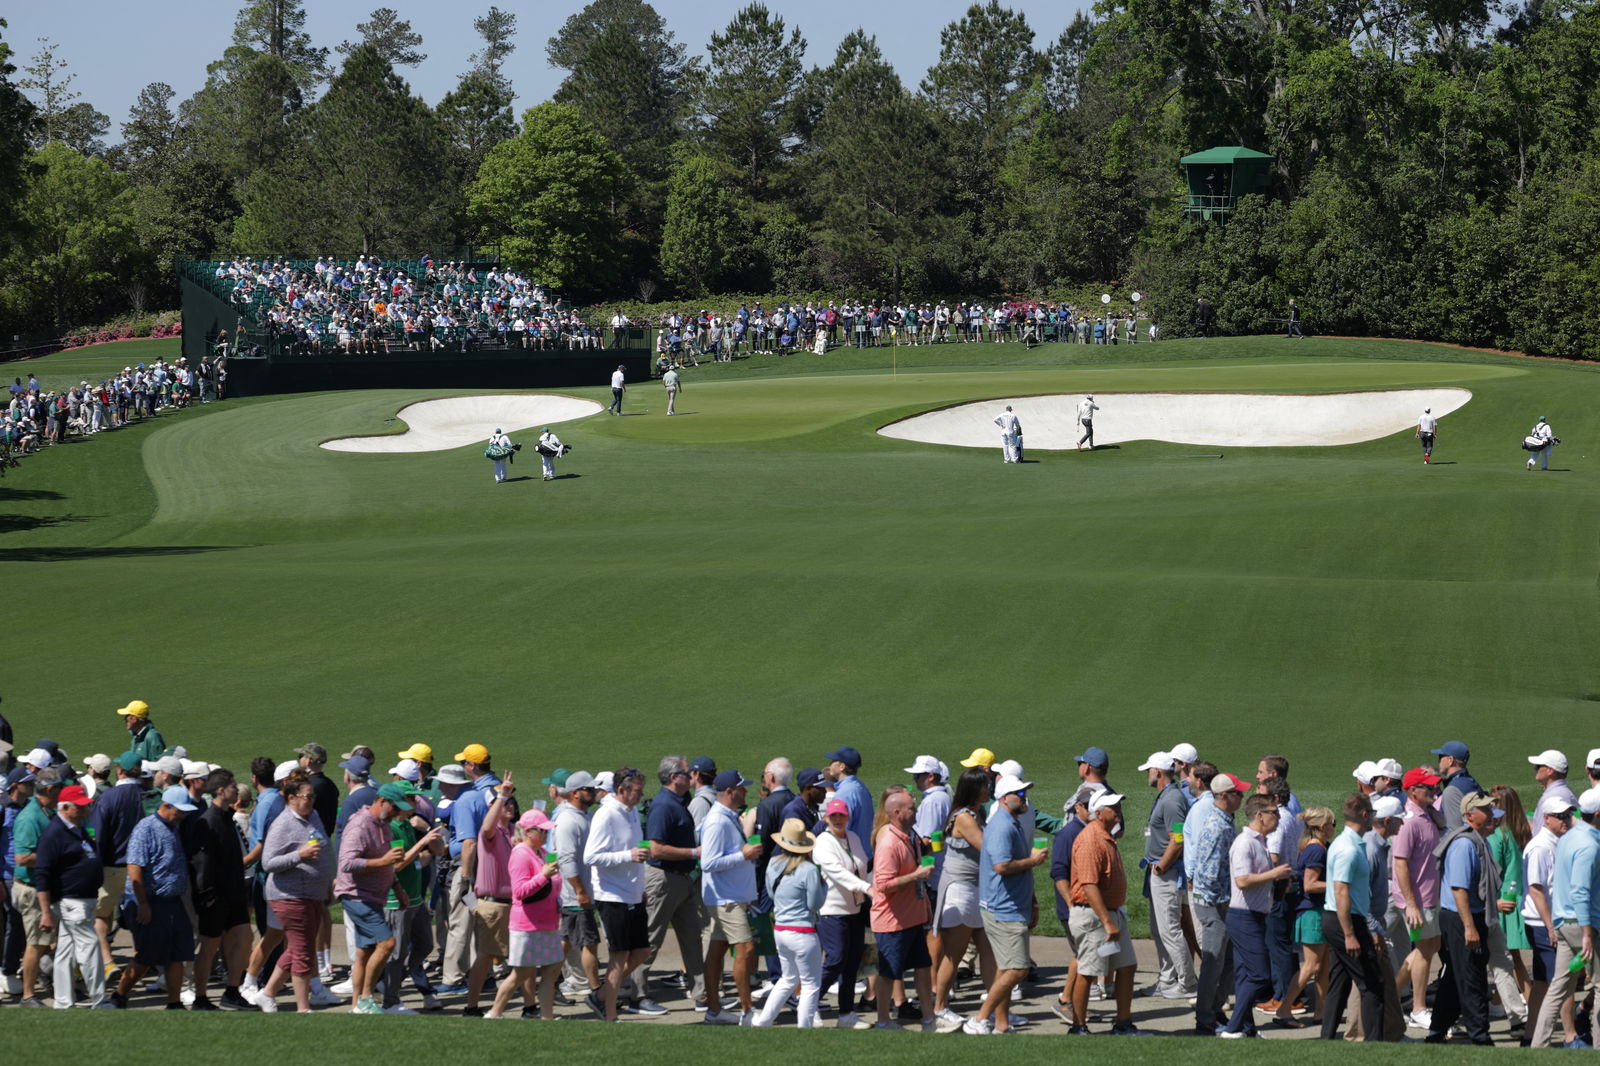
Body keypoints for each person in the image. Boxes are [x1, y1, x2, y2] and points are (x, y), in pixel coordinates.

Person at [964, 772, 1049, 1035]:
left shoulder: (1008, 821)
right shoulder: (1002, 826)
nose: (1024, 798)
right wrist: (1033, 862)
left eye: (1025, 793)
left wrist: (1031, 902)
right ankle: (979, 1019)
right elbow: (1002, 866)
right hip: (1004, 909)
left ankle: (1001, 1024)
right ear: (1003, 798)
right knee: (1018, 968)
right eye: (1019, 794)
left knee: (1005, 968)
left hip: (1010, 906)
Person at [250, 769, 334, 1013]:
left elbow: (323, 850)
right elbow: (268, 862)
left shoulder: (313, 816)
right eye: (307, 796)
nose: (312, 800)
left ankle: (267, 993)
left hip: (313, 894)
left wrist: (326, 883)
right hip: (290, 896)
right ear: (291, 797)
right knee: (302, 953)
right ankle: (303, 1007)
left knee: (300, 947)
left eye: (313, 796)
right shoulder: (283, 824)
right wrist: (300, 855)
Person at [335, 782, 421, 1014]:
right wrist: (383, 862)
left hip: (374, 895)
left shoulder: (385, 826)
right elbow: (346, 863)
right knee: (387, 943)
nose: (397, 813)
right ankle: (366, 999)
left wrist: (397, 888)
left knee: (365, 951)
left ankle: (357, 1004)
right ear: (381, 802)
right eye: (394, 808)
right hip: (356, 896)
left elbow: (387, 866)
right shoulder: (360, 825)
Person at [109, 785, 198, 1010]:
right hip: (150, 901)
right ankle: (119, 995)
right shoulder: (146, 828)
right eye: (180, 810)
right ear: (166, 805)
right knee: (148, 955)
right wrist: (144, 904)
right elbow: (135, 868)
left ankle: (174, 1002)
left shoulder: (174, 826)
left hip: (172, 901)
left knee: (178, 952)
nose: (184, 814)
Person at [1427, 790, 1504, 1045]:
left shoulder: (1478, 840)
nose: (1491, 813)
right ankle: (1480, 1037)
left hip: (1469, 917)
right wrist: (1470, 927)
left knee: (1455, 978)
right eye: (1486, 810)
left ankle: (1436, 1031)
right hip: (1463, 920)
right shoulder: (1464, 844)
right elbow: (1458, 889)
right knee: (1472, 979)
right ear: (1470, 815)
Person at [1066, 790, 1143, 1034]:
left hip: (1110, 915)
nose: (1118, 810)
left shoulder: (1105, 836)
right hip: (1095, 918)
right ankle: (1078, 1026)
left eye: (1118, 805)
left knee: (1127, 966)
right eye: (1112, 807)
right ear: (1098, 813)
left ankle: (1122, 1023)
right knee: (1088, 972)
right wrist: (1107, 921)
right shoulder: (1090, 840)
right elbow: (1089, 885)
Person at [1529, 785, 1600, 1049]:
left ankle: (1538, 1047)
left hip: (1563, 922)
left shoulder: (1571, 836)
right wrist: (1587, 933)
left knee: (1558, 986)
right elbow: (1580, 891)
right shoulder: (1588, 845)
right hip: (1581, 924)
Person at [581, 766, 651, 1022]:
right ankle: (610, 1016)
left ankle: (600, 996)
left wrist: (641, 888)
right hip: (612, 896)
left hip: (632, 894)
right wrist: (628, 856)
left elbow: (634, 851)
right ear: (621, 790)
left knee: (642, 951)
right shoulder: (606, 815)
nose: (641, 797)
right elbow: (591, 856)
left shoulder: (631, 812)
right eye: (637, 792)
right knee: (618, 959)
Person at [1222, 794, 1294, 1037]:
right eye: (1274, 812)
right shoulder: (1245, 843)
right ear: (1260, 815)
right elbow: (1242, 881)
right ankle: (1233, 1028)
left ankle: (1246, 1028)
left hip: (1254, 915)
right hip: (1244, 917)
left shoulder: (1259, 841)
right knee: (1259, 975)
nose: (1278, 816)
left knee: (1244, 975)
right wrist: (1274, 875)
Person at [640, 755, 703, 1015]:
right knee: (651, 938)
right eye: (688, 773)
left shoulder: (678, 801)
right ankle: (637, 995)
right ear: (674, 776)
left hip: (680, 879)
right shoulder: (664, 805)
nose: (692, 777)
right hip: (663, 879)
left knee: (692, 938)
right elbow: (655, 848)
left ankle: (702, 994)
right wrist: (693, 853)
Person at [486, 809, 563, 1020]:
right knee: (520, 973)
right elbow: (519, 891)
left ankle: (547, 1017)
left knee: (550, 971)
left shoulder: (544, 852)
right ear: (529, 832)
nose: (546, 835)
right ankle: (494, 1012)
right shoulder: (520, 853)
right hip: (527, 924)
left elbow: (554, 886)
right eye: (542, 831)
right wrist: (543, 875)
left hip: (548, 922)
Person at [931, 767, 992, 1029]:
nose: (989, 789)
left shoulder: (977, 813)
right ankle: (940, 1008)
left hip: (976, 890)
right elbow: (988, 847)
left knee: (990, 951)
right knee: (953, 954)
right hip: (960, 890)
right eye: (986, 785)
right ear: (975, 788)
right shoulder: (965, 817)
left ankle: (997, 1008)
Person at [34, 783, 105, 1009]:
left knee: (66, 952)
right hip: (71, 902)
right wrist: (45, 912)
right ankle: (100, 1001)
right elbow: (42, 875)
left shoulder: (77, 828)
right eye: (80, 807)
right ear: (64, 807)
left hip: (84, 899)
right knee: (90, 947)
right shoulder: (53, 834)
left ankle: (63, 1002)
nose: (85, 811)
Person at [700, 768, 762, 1025]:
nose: (745, 791)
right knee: (745, 949)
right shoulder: (717, 821)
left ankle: (714, 1010)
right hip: (726, 899)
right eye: (741, 788)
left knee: (717, 950)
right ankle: (747, 1012)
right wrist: (743, 855)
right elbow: (709, 862)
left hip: (729, 896)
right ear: (729, 792)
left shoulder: (727, 816)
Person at [751, 817, 827, 1028]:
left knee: (788, 978)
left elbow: (773, 894)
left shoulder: (773, 864)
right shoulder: (809, 870)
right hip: (803, 933)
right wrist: (825, 888)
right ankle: (804, 1028)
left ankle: (764, 1021)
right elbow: (815, 904)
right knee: (810, 984)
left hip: (781, 931)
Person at [1321, 793, 1385, 1040]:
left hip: (1338, 919)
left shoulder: (1344, 843)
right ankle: (1375, 1044)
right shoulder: (1349, 849)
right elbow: (1341, 891)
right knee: (1372, 983)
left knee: (1340, 981)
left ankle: (1326, 1038)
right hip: (1346, 922)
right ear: (1365, 815)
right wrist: (1350, 934)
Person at [871, 789, 936, 1032]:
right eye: (912, 807)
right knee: (889, 973)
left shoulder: (907, 835)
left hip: (911, 917)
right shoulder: (888, 843)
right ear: (897, 813)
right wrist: (916, 875)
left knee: (922, 966)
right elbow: (884, 885)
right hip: (892, 921)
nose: (916, 810)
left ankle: (929, 1018)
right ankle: (883, 1021)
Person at [190, 768, 253, 1011]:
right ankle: (200, 998)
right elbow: (201, 862)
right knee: (209, 946)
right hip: (216, 896)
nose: (236, 790)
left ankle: (232, 990)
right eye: (232, 787)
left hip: (234, 893)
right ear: (219, 790)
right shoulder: (209, 820)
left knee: (245, 937)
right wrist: (207, 896)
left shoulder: (227, 817)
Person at [1189, 772, 1243, 1034]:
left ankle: (1215, 1008)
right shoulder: (1217, 825)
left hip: (1219, 902)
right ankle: (1205, 1016)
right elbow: (1209, 873)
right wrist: (1223, 902)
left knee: (1227, 959)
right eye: (1237, 793)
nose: (1241, 797)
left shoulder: (1225, 820)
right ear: (1223, 796)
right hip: (1214, 903)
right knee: (1214, 961)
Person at [1140, 750, 1195, 1001]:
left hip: (1167, 873)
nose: (1148, 775)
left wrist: (1161, 866)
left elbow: (1178, 838)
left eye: (1149, 770)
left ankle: (1187, 982)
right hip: (1160, 871)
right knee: (1160, 929)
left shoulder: (1172, 800)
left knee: (1170, 930)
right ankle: (1167, 979)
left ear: (1158, 772)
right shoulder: (1166, 796)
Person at [1390, 766, 1443, 1031]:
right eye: (1428, 787)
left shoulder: (1426, 815)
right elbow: (1400, 863)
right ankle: (1418, 1009)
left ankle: (1391, 999)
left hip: (1428, 896)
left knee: (1430, 945)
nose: (1434, 790)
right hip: (1417, 900)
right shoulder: (1409, 821)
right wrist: (1411, 904)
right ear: (1412, 791)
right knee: (1424, 950)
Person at [814, 797, 871, 1029]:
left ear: (848, 817)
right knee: (836, 959)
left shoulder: (854, 837)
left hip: (855, 908)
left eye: (842, 815)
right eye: (833, 816)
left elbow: (862, 866)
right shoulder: (822, 842)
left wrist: (869, 886)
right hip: (831, 910)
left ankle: (846, 1014)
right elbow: (837, 872)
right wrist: (867, 887)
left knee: (852, 962)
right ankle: (809, 1003)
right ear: (826, 818)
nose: (838, 819)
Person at [1524, 799, 1577, 1047]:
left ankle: (1529, 1036)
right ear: (1546, 818)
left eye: (1568, 815)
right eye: (1560, 816)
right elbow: (1536, 890)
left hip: (1544, 923)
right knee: (1562, 982)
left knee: (1543, 983)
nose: (1566, 820)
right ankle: (1570, 1036)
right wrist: (1550, 926)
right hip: (1544, 924)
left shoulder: (1554, 842)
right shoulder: (1541, 848)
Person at [1276, 806, 1335, 1027]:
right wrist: (1338, 886)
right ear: (1322, 827)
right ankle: (1284, 1010)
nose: (1333, 828)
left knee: (1323, 966)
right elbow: (1310, 884)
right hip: (1312, 914)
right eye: (1332, 824)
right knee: (1311, 966)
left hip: (1317, 912)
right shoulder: (1316, 850)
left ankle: (1321, 1013)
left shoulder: (1316, 846)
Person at [10, 768, 62, 1007]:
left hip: (43, 887)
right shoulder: (30, 817)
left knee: (43, 941)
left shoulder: (45, 812)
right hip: (31, 889)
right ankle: (28, 995)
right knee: (37, 942)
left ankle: (40, 978)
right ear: (50, 790)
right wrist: (55, 855)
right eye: (60, 788)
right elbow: (22, 857)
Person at [1486, 784, 1530, 1034]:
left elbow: (1492, 873)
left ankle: (1533, 1009)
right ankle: (1496, 1002)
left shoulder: (1497, 837)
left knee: (1511, 963)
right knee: (1510, 961)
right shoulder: (1519, 831)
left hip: (1503, 905)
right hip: (1515, 901)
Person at [824, 746, 873, 860]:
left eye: (833, 761)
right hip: (864, 854)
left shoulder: (844, 793)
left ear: (842, 766)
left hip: (851, 858)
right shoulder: (860, 786)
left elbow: (840, 830)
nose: (829, 765)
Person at [1433, 740, 1481, 833]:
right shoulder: (1469, 781)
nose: (1439, 761)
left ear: (1450, 760)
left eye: (1441, 757)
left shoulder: (1452, 790)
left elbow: (1454, 831)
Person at [1530, 749, 1580, 827]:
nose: (1535, 769)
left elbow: (1540, 833)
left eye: (1538, 766)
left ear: (1550, 771)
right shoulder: (1567, 791)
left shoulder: (1550, 797)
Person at [117, 700, 165, 764]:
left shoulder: (153, 737)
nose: (124, 719)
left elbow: (160, 765)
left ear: (134, 718)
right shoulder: (136, 736)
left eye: (127, 716)